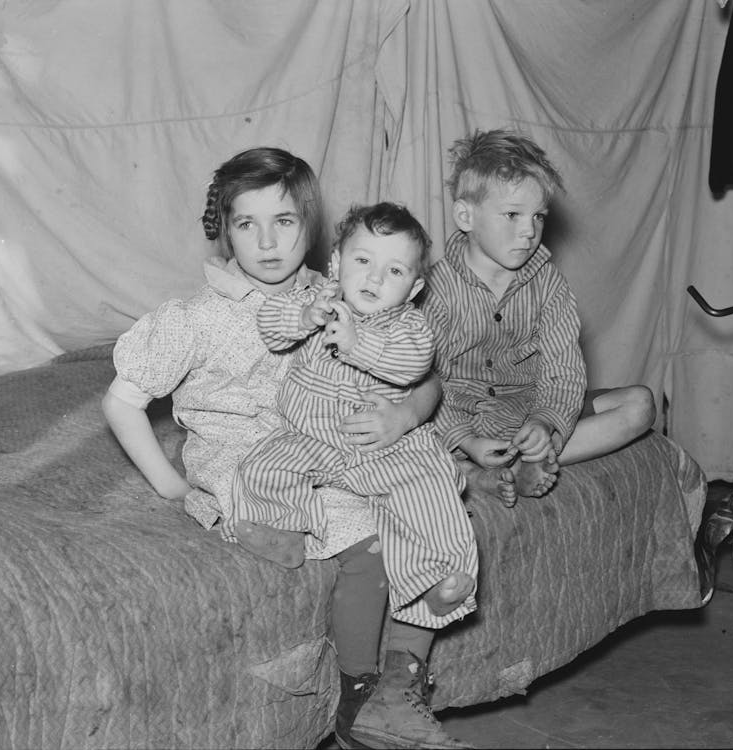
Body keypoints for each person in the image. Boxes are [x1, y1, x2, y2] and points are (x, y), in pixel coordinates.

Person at [102, 148, 470, 750]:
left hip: (338, 442)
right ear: (224, 229)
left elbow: (421, 374)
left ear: (312, 226)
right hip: (248, 453)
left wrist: (403, 414)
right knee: (368, 536)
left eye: (286, 222)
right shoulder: (194, 319)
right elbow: (121, 403)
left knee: (428, 512)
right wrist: (173, 485)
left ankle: (402, 686)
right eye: (247, 224)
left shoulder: (351, 284)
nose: (268, 242)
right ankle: (360, 696)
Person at [225, 201, 479, 634]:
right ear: (338, 262)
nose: (375, 278)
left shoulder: (410, 327)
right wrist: (304, 317)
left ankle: (440, 581)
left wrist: (358, 342)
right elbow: (269, 322)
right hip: (313, 438)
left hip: (385, 446)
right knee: (260, 466)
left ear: (415, 288)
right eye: (363, 261)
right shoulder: (316, 299)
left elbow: (413, 364)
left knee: (431, 494)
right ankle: (285, 531)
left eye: (395, 271)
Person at [422, 128, 657, 507]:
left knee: (641, 404)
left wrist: (546, 424)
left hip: (527, 410)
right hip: (460, 422)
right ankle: (470, 469)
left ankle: (525, 463)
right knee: (407, 426)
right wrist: (466, 440)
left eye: (539, 216)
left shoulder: (549, 284)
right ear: (465, 215)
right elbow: (423, 383)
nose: (529, 231)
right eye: (512, 214)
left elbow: (563, 372)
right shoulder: (435, 290)